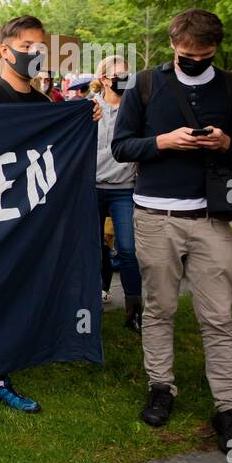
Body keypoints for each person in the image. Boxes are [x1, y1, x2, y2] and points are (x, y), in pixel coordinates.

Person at [0, 14, 101, 425]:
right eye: (26, 47)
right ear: (5, 51)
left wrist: (83, 119)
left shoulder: (43, 106)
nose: (34, 54)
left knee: (8, 300)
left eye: (39, 47)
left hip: (23, 224)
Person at [112, 8, 232, 457]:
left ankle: (230, 407)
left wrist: (224, 143)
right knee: (159, 309)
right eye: (187, 54)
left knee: (219, 316)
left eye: (204, 54)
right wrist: (164, 142)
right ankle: (161, 387)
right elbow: (121, 147)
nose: (194, 59)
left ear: (216, 49)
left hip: (211, 217)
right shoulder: (143, 84)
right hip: (156, 215)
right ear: (174, 45)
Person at [93, 55, 142, 330]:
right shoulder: (89, 108)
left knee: (128, 249)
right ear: (104, 79)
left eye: (128, 73)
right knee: (93, 246)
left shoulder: (136, 109)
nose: (125, 78)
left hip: (124, 189)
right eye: (119, 74)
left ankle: (134, 311)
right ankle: (95, 295)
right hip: (93, 187)